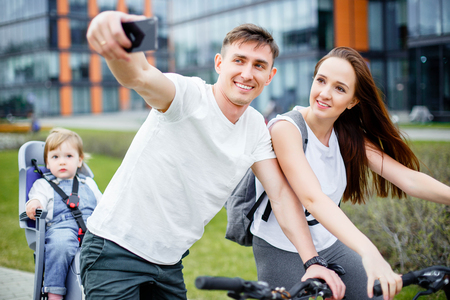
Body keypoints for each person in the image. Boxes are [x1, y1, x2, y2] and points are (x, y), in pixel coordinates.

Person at [81, 10, 346, 300]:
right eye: (239, 60)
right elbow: (140, 75)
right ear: (220, 63)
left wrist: (312, 262)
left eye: (259, 65)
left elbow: (281, 196)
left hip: (169, 263)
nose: (247, 73)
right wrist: (107, 25)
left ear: (270, 76)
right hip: (115, 250)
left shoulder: (256, 127)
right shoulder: (188, 96)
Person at [251, 47, 450, 300]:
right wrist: (370, 251)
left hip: (329, 241)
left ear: (353, 101)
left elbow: (409, 179)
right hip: (282, 246)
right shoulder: (286, 129)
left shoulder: (347, 135)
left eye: (340, 88)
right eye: (321, 80)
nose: (324, 93)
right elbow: (313, 198)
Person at [26, 128, 102, 300]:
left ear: (79, 160)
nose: (62, 162)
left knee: (112, 247)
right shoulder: (44, 185)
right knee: (60, 245)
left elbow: (103, 204)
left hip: (91, 228)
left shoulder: (88, 182)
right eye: (55, 157)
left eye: (68, 156)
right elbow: (36, 198)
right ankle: (54, 292)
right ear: (47, 162)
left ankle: (106, 290)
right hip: (61, 227)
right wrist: (34, 204)